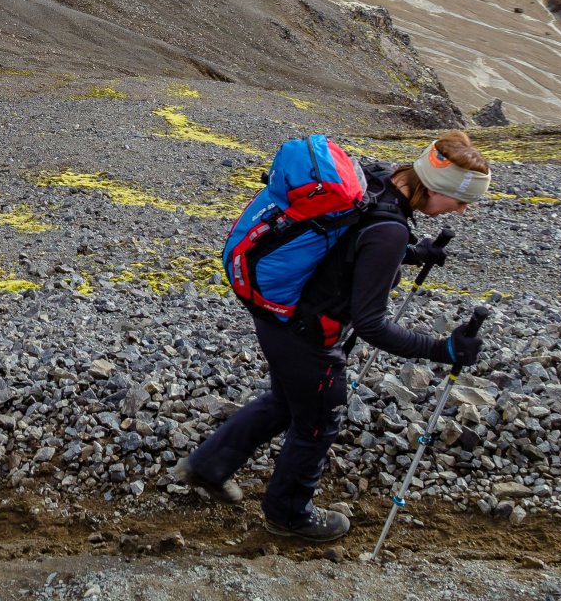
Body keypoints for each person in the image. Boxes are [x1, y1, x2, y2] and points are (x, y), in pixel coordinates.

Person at [176, 131, 491, 542]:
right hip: (308, 336)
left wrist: (411, 254)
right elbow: (372, 324)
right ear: (434, 187)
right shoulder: (389, 231)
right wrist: (443, 349)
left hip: (277, 316)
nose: (462, 211)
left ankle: (208, 466)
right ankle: (288, 516)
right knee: (319, 423)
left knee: (287, 401)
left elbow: (346, 244)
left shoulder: (374, 180)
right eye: (461, 200)